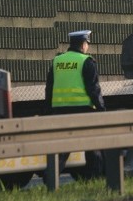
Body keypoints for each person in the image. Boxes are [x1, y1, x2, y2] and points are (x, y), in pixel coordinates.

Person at [44, 29, 106, 178]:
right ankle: (94, 178)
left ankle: (50, 179)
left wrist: (48, 110)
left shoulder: (57, 61)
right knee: (92, 147)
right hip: (83, 111)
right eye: (87, 44)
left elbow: (49, 88)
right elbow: (94, 89)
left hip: (60, 111)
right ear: (84, 44)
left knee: (62, 149)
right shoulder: (86, 61)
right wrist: (102, 109)